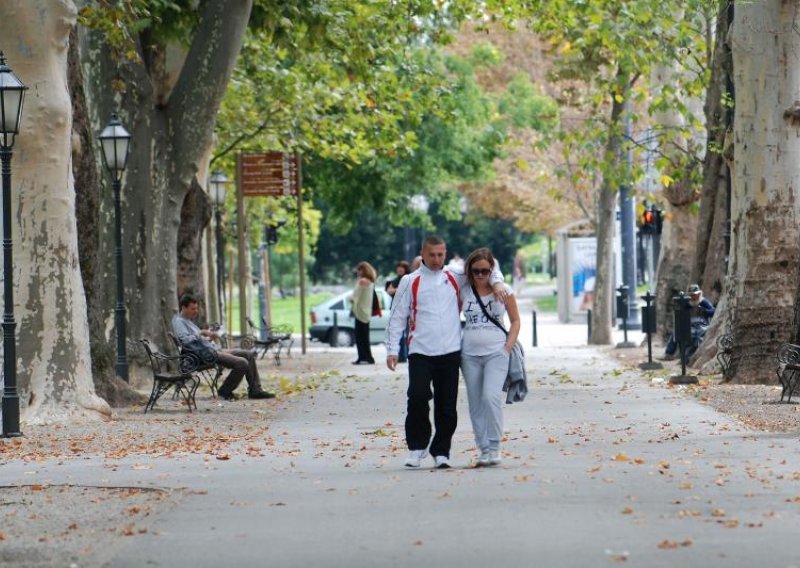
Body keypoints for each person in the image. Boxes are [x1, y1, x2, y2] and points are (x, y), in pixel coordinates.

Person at [386, 235, 506, 469]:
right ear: (423, 253)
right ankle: (416, 447)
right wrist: (392, 349)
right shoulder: (410, 281)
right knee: (418, 396)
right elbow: (397, 316)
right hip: (420, 350)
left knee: (446, 406)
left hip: (451, 352)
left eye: (441, 254)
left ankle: (442, 451)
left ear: (445, 253)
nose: (436, 259)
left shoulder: (454, 275)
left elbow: (487, 265)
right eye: (432, 254)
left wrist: (499, 282)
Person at [460, 248, 521, 467]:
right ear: (470, 271)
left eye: (485, 271)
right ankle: (483, 449)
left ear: (492, 271)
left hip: (497, 352)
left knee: (490, 397)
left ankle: (494, 446)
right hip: (469, 355)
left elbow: (515, 321)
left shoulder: (504, 291)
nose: (480, 275)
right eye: (475, 271)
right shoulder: (464, 291)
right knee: (475, 403)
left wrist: (507, 347)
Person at [172, 294, 275, 400]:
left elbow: (196, 341)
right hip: (204, 355)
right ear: (183, 308)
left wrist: (208, 338)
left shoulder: (188, 321)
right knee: (242, 363)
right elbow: (185, 341)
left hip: (210, 350)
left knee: (248, 354)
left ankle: (255, 390)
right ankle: (224, 391)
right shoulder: (179, 322)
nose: (196, 311)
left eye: (196, 308)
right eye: (193, 308)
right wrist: (201, 332)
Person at [661, 284, 715, 360]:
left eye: (694, 295)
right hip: (689, 325)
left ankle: (689, 357)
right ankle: (669, 353)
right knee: (676, 333)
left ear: (699, 294)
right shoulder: (686, 303)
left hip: (702, 325)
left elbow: (713, 311)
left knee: (699, 337)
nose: (693, 297)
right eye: (691, 295)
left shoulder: (703, 302)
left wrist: (704, 311)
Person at [351, 261, 377, 365]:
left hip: (360, 312)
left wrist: (351, 300)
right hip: (366, 312)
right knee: (364, 336)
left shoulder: (362, 281)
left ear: (363, 270)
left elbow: (355, 297)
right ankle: (367, 357)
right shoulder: (370, 281)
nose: (357, 272)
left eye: (359, 269)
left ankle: (363, 357)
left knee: (360, 336)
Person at [386, 261, 411, 362]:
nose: (400, 269)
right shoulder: (396, 280)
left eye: (402, 267)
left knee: (409, 333)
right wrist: (400, 290)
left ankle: (409, 354)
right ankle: (401, 355)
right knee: (398, 333)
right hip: (396, 308)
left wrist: (396, 290)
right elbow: (389, 291)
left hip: (408, 309)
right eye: (398, 267)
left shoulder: (409, 278)